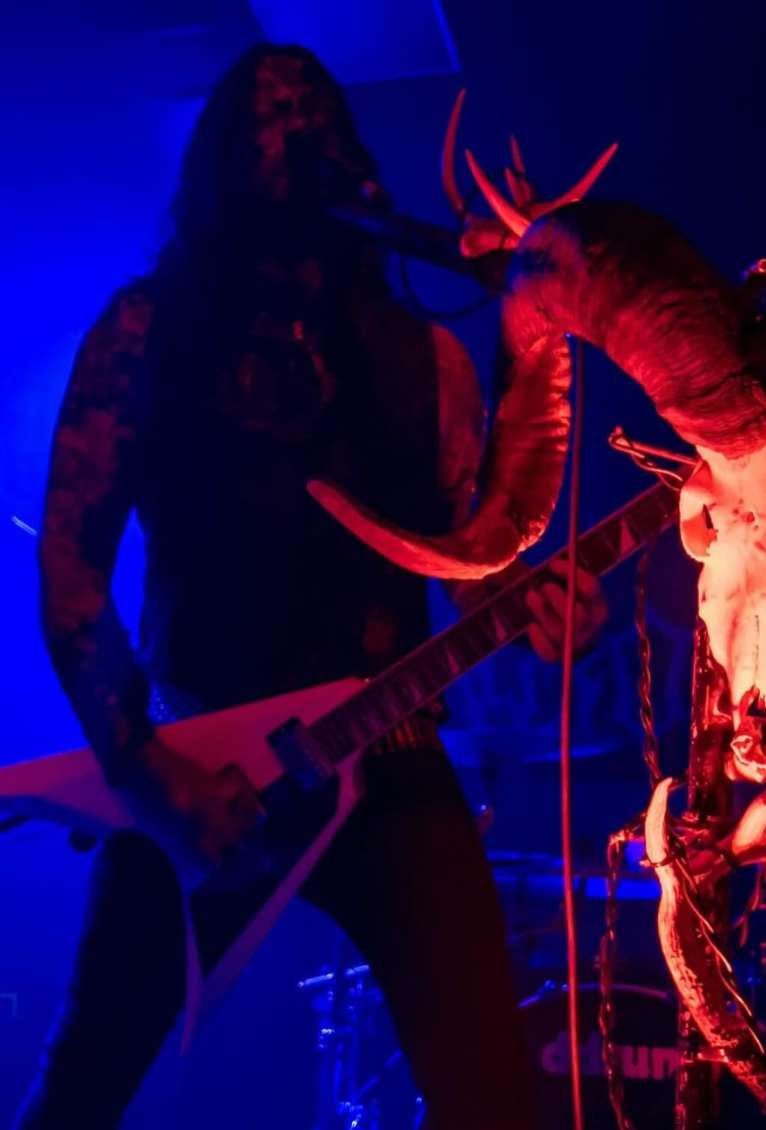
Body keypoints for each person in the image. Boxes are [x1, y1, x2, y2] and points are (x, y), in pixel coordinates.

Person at [15, 43, 607, 1130]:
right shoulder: (143, 334)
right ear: (219, 163)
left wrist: (536, 612)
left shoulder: (427, 357)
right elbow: (69, 568)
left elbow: (469, 566)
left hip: (390, 757)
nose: (293, 140)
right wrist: (142, 765)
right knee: (78, 1089)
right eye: (266, 120)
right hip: (201, 766)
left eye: (313, 118)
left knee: (493, 1097)